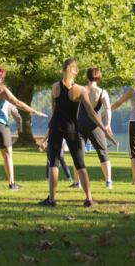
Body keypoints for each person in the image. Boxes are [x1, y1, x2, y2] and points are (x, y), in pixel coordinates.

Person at [38, 58, 116, 208]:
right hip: (72, 129)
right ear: (76, 71)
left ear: (63, 69)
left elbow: (54, 112)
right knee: (80, 164)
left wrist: (47, 135)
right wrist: (104, 128)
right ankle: (89, 199)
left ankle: (52, 199)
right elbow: (92, 113)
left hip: (56, 127)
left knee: (53, 163)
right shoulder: (80, 90)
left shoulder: (55, 87)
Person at [0, 66, 47, 190]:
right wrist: (35, 111)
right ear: (2, 77)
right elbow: (18, 103)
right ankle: (12, 183)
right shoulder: (1, 89)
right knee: (7, 154)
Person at [70, 68, 114, 189]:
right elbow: (108, 109)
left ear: (87, 77)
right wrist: (108, 124)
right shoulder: (102, 92)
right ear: (99, 77)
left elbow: (72, 106)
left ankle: (77, 182)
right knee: (103, 152)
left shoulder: (80, 90)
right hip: (95, 126)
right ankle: (108, 181)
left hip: (80, 124)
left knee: (78, 154)